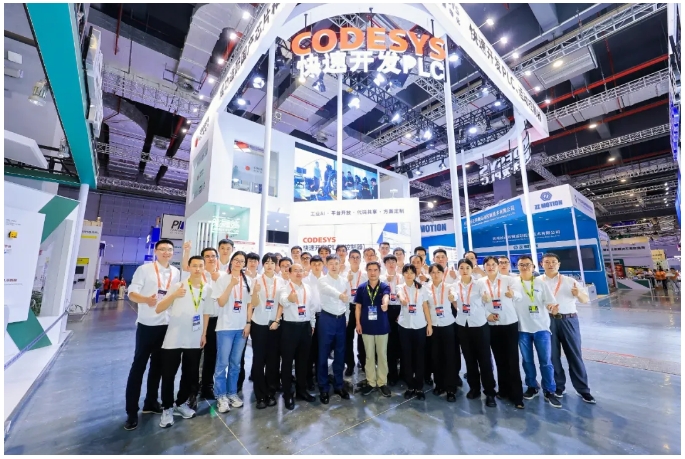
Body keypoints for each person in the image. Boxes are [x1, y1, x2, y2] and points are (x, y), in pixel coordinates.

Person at [124, 239, 181, 431]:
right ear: (156, 251)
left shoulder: (175, 272)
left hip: (166, 325)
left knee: (158, 366)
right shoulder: (144, 270)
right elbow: (131, 293)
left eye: (169, 249)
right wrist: (145, 299)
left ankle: (151, 402)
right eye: (162, 249)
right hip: (147, 324)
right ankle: (131, 412)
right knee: (138, 367)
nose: (166, 252)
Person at [156, 255, 211, 428]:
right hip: (174, 338)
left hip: (194, 338)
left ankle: (180, 403)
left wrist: (204, 334)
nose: (197, 269)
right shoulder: (178, 286)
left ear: (204, 268)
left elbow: (206, 313)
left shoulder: (207, 289)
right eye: (194, 265)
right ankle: (167, 408)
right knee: (168, 374)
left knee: (190, 374)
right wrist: (173, 295)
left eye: (200, 266)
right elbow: (159, 308)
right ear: (188, 267)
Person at [541, 253, 595, 404]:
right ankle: (559, 387)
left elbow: (585, 300)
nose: (550, 264)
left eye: (553, 262)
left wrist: (578, 294)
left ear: (559, 264)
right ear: (541, 264)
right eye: (547, 262)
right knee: (552, 356)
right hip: (547, 321)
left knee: (574, 355)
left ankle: (583, 390)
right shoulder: (538, 282)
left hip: (568, 320)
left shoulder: (569, 281)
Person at [513, 255, 562, 408]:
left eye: (527, 264)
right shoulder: (513, 283)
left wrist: (552, 308)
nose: (524, 267)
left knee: (546, 362)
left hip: (541, 328)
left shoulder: (541, 283)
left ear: (533, 267)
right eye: (521, 264)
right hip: (522, 329)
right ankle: (532, 386)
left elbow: (550, 302)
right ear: (517, 267)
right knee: (527, 361)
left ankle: (549, 390)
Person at [181, 243, 227, 406]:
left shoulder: (223, 275)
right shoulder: (198, 275)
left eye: (213, 256)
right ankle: (192, 391)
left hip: (216, 320)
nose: (211, 259)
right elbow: (185, 267)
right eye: (207, 256)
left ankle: (207, 386)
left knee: (211, 355)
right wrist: (187, 251)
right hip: (198, 320)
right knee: (194, 356)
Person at [451, 258, 497, 408]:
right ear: (458, 270)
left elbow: (486, 297)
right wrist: (453, 299)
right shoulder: (454, 285)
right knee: (469, 359)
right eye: (461, 268)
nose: (464, 270)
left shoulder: (479, 284)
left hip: (479, 324)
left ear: (472, 269)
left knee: (484, 359)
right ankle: (474, 388)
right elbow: (454, 298)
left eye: (467, 268)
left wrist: (487, 298)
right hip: (462, 325)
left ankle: (490, 392)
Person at [480, 256, 523, 409]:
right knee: (499, 359)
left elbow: (519, 296)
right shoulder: (480, 283)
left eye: (493, 264)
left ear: (498, 266)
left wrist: (513, 295)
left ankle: (517, 396)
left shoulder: (509, 280)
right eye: (488, 265)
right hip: (491, 324)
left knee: (512, 359)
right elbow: (477, 303)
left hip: (508, 323)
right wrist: (487, 314)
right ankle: (503, 390)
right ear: (484, 267)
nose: (491, 267)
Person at [274, 263, 317, 410]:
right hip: (290, 327)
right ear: (289, 273)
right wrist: (290, 299)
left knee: (303, 361)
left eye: (301, 270)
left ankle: (301, 390)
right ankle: (287, 394)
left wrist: (312, 324)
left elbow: (311, 308)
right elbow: (282, 302)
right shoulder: (284, 288)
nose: (298, 273)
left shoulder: (308, 288)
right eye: (295, 271)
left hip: (305, 327)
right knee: (287, 362)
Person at [214, 251, 252, 413]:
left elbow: (249, 304)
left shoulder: (248, 280)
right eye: (236, 260)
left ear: (244, 264)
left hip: (241, 327)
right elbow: (221, 302)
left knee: (235, 364)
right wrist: (231, 285)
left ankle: (232, 393)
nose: (238, 263)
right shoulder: (223, 278)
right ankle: (220, 396)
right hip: (225, 327)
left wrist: (248, 323)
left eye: (241, 261)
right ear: (231, 262)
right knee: (222, 363)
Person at [316, 254, 351, 404]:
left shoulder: (344, 280)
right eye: (331, 263)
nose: (334, 266)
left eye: (336, 263)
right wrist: (340, 295)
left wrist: (347, 317)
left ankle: (338, 384)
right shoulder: (322, 280)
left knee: (340, 353)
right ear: (326, 265)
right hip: (327, 319)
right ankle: (323, 387)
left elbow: (347, 301)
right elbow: (328, 290)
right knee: (323, 354)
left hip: (341, 320)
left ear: (340, 264)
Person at [249, 253, 281, 409]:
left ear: (276, 265)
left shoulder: (280, 281)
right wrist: (255, 291)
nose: (269, 265)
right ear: (263, 264)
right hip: (259, 324)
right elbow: (253, 303)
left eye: (272, 263)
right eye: (267, 262)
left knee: (273, 361)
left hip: (274, 325)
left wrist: (277, 320)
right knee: (258, 360)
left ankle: (271, 392)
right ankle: (260, 395)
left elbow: (281, 304)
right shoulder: (256, 280)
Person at [355, 261, 392, 397]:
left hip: (382, 326)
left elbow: (387, 296)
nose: (372, 272)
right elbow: (358, 307)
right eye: (370, 270)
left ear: (379, 271)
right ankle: (371, 382)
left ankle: (382, 382)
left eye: (375, 270)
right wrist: (358, 323)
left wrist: (385, 303)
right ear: (367, 271)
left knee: (382, 355)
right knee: (369, 355)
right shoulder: (361, 288)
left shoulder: (384, 286)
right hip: (366, 326)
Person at [397, 264, 432, 400]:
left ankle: (419, 387)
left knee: (419, 357)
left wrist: (429, 324)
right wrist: (402, 299)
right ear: (403, 274)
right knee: (406, 357)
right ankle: (410, 386)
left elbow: (425, 307)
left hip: (420, 326)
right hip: (404, 326)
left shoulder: (422, 288)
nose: (409, 275)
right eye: (406, 272)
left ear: (415, 274)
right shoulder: (400, 287)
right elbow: (400, 295)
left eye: (412, 272)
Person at [426, 264, 458, 402]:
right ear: (429, 274)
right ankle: (439, 384)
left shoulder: (449, 287)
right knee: (436, 356)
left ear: (443, 273)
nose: (436, 274)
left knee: (450, 357)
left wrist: (452, 296)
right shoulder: (426, 288)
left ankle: (451, 388)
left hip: (448, 325)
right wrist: (428, 324)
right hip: (433, 326)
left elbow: (454, 296)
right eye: (433, 272)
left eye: (438, 272)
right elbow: (426, 306)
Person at [304, 255, 325, 391]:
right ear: (310, 265)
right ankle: (308, 378)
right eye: (314, 264)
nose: (317, 267)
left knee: (322, 348)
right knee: (309, 349)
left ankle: (320, 376)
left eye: (319, 264)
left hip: (324, 317)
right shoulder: (305, 280)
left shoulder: (327, 280)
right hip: (309, 317)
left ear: (323, 265)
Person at [381, 255, 402, 386]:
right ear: (385, 264)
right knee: (389, 344)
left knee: (401, 343)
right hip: (386, 311)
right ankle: (392, 374)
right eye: (388, 262)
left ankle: (404, 373)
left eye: (393, 261)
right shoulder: (381, 279)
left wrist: (402, 313)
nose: (391, 264)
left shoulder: (402, 277)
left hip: (401, 311)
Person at [345, 249, 367, 376]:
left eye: (357, 257)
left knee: (362, 337)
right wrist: (345, 280)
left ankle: (362, 362)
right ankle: (350, 364)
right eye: (352, 257)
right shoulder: (343, 274)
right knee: (348, 338)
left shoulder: (365, 275)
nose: (355, 259)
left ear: (360, 259)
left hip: (362, 308)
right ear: (348, 259)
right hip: (348, 308)